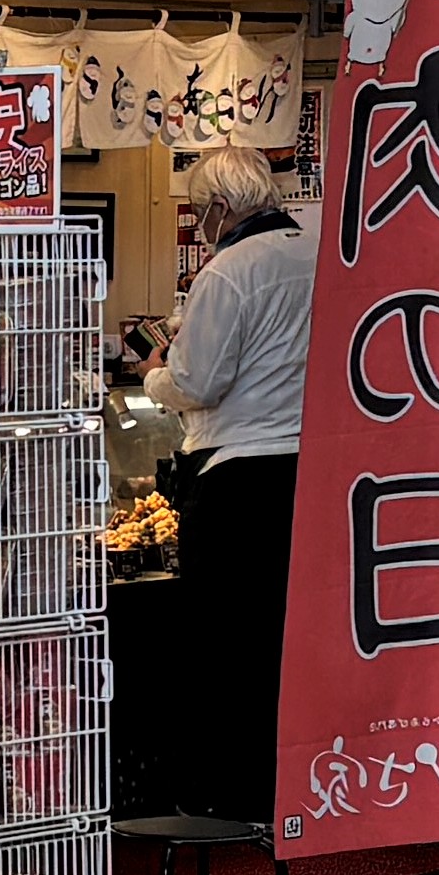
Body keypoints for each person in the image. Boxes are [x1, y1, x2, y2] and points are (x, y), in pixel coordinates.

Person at [138, 145, 315, 823]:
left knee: (225, 641)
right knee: (283, 637)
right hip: (306, 467)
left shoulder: (228, 272)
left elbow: (196, 382)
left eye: (195, 209)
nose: (195, 222)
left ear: (219, 206)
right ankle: (295, 783)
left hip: (236, 474)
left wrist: (156, 372)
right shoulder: (315, 251)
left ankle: (227, 791)